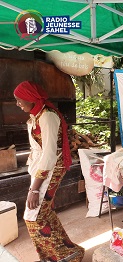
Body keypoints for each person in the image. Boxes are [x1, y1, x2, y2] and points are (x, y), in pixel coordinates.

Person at [13, 81, 85, 262]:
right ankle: (68, 253)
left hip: (50, 168)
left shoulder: (47, 117)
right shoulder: (37, 115)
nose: (17, 104)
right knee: (43, 213)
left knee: (33, 218)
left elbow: (49, 154)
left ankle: (62, 257)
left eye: (20, 100)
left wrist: (35, 189)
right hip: (40, 167)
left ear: (31, 98)